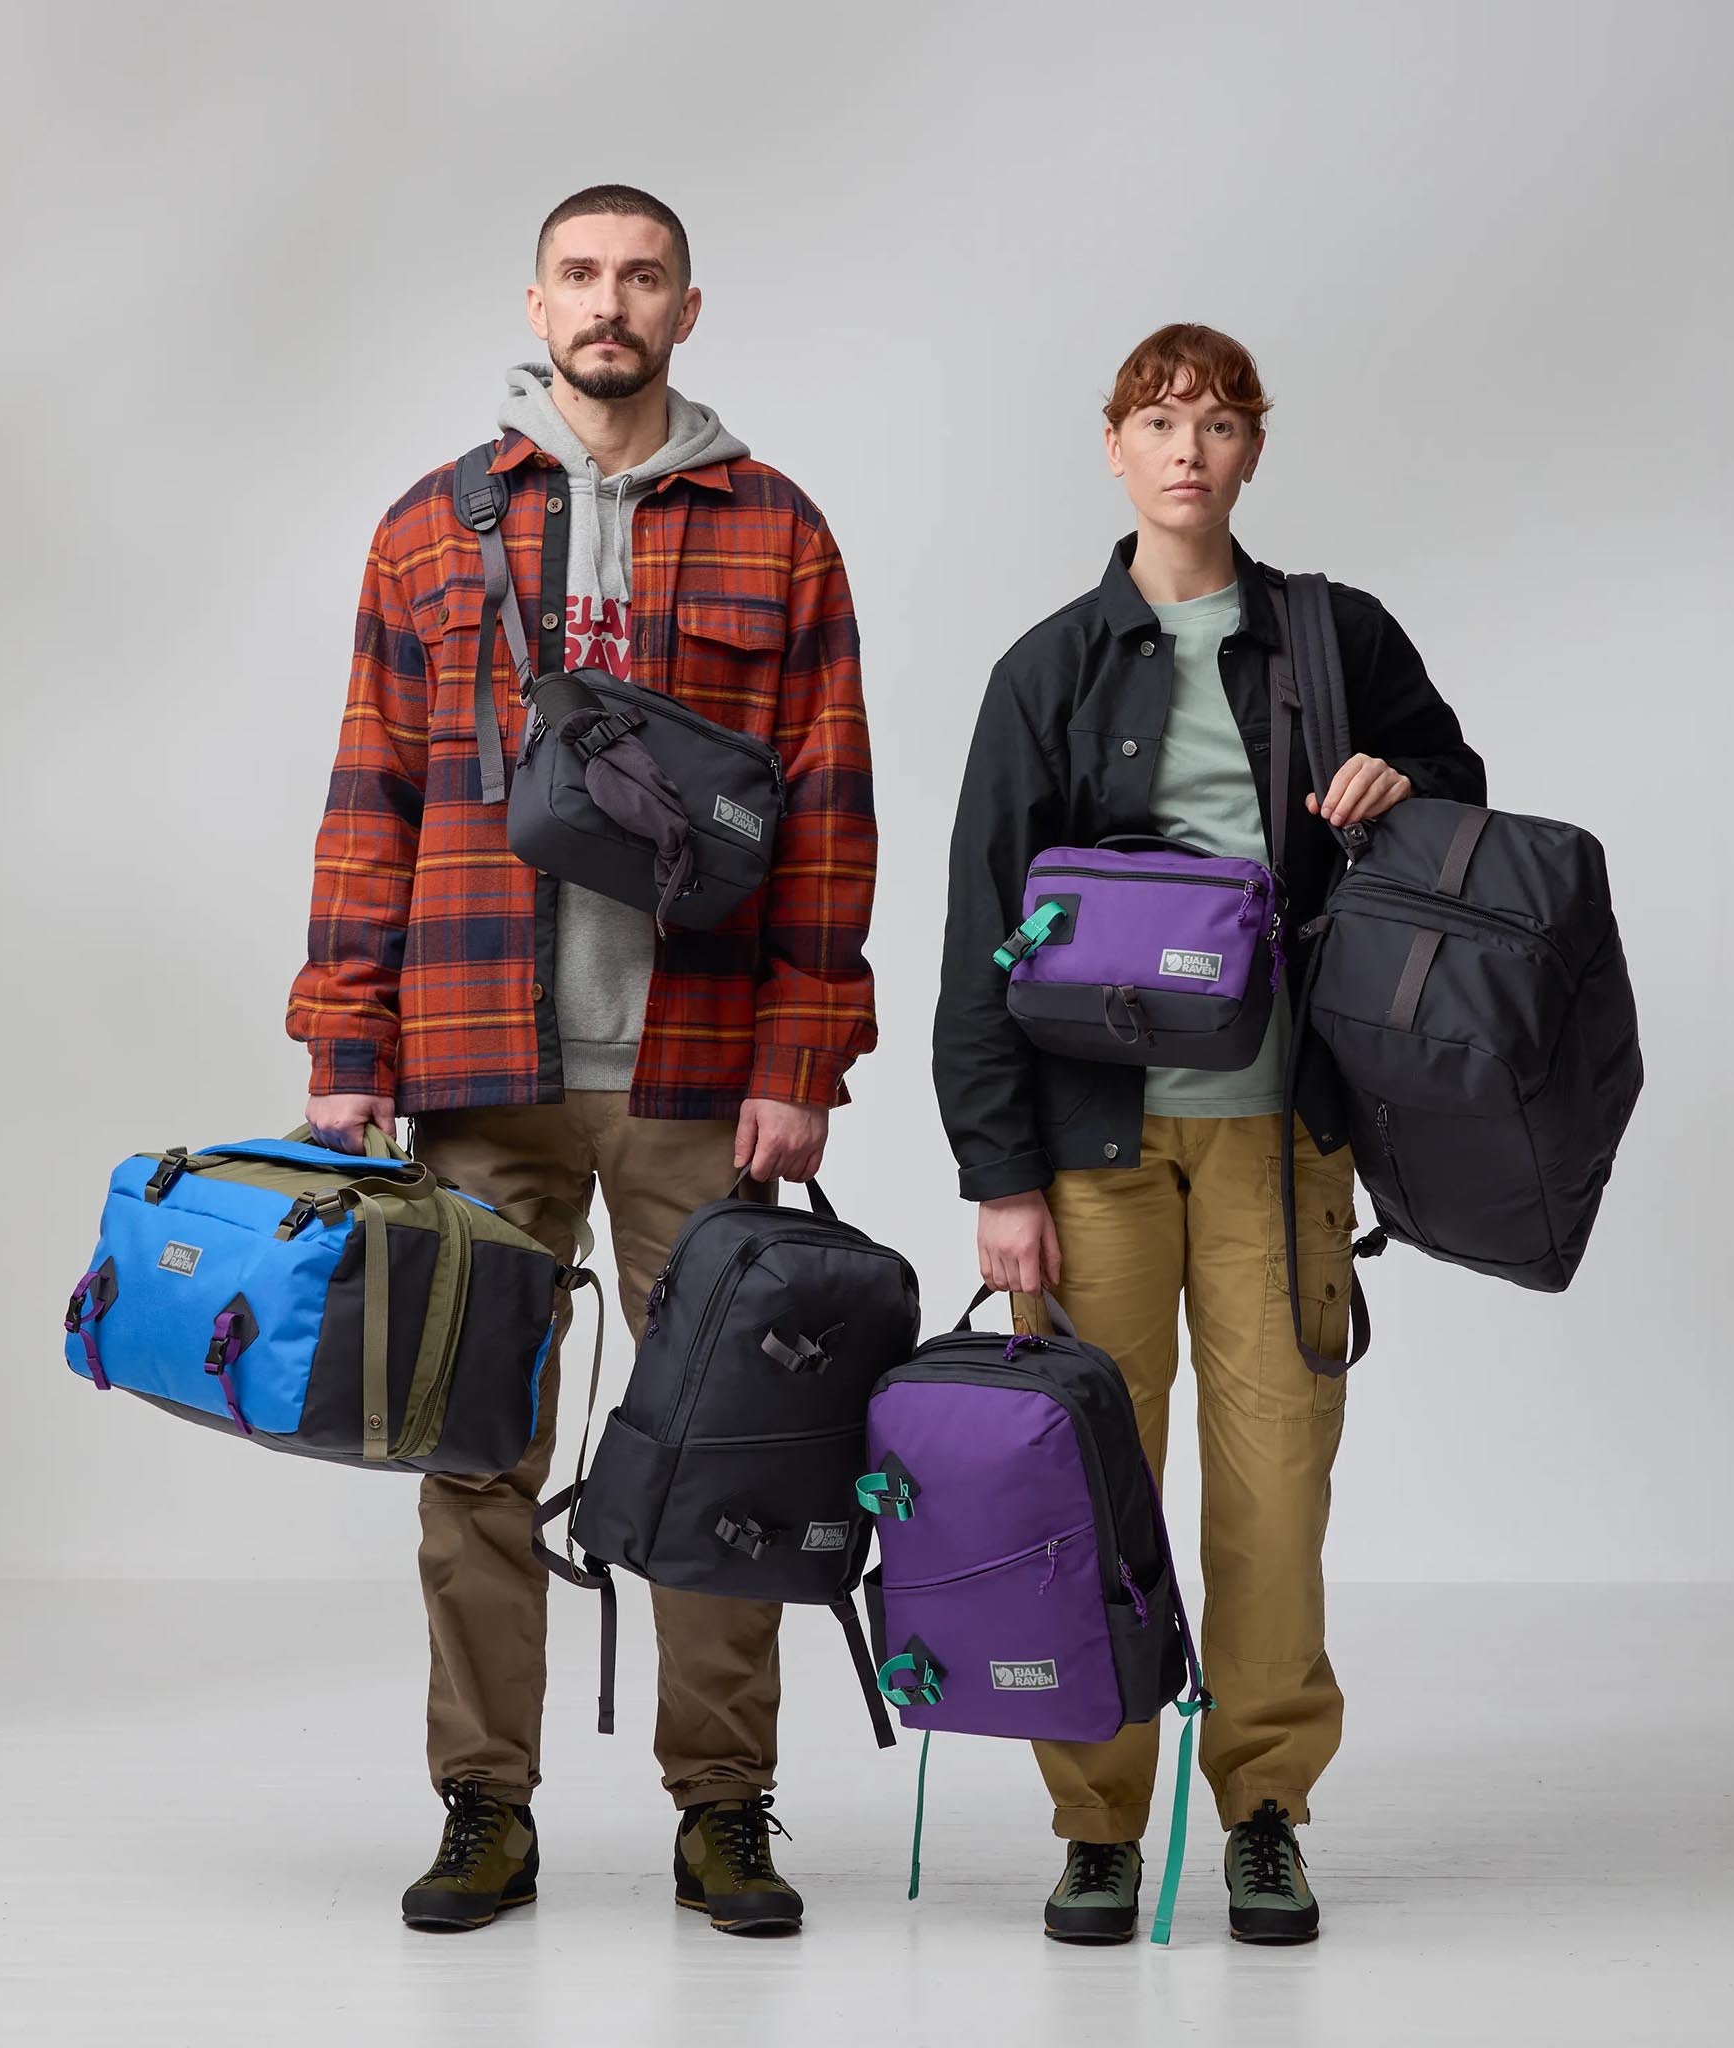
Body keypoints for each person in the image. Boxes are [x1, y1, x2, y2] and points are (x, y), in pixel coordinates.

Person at [287, 184, 879, 1936]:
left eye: (642, 277)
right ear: (536, 302)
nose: (609, 302)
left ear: (688, 308)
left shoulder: (778, 530)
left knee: (726, 1441)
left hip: (700, 1067)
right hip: (478, 1058)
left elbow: (828, 812)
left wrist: (804, 1053)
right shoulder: (429, 528)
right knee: (471, 1446)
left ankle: (726, 1809)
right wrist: (347, 1036)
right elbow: (372, 793)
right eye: (580, 275)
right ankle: (485, 1803)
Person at [932, 323, 1484, 1945]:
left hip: (1281, 1141)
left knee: (1273, 1490)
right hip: (1089, 1152)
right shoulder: (1048, 668)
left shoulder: (1334, 636)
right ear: (1113, 446)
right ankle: (1096, 1825)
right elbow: (978, 934)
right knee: (1084, 1492)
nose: (1191, 450)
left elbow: (1454, 798)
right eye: (1162, 422)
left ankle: (1264, 1812)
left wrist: (1402, 781)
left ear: (1254, 450)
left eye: (1222, 423)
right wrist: (997, 1177)